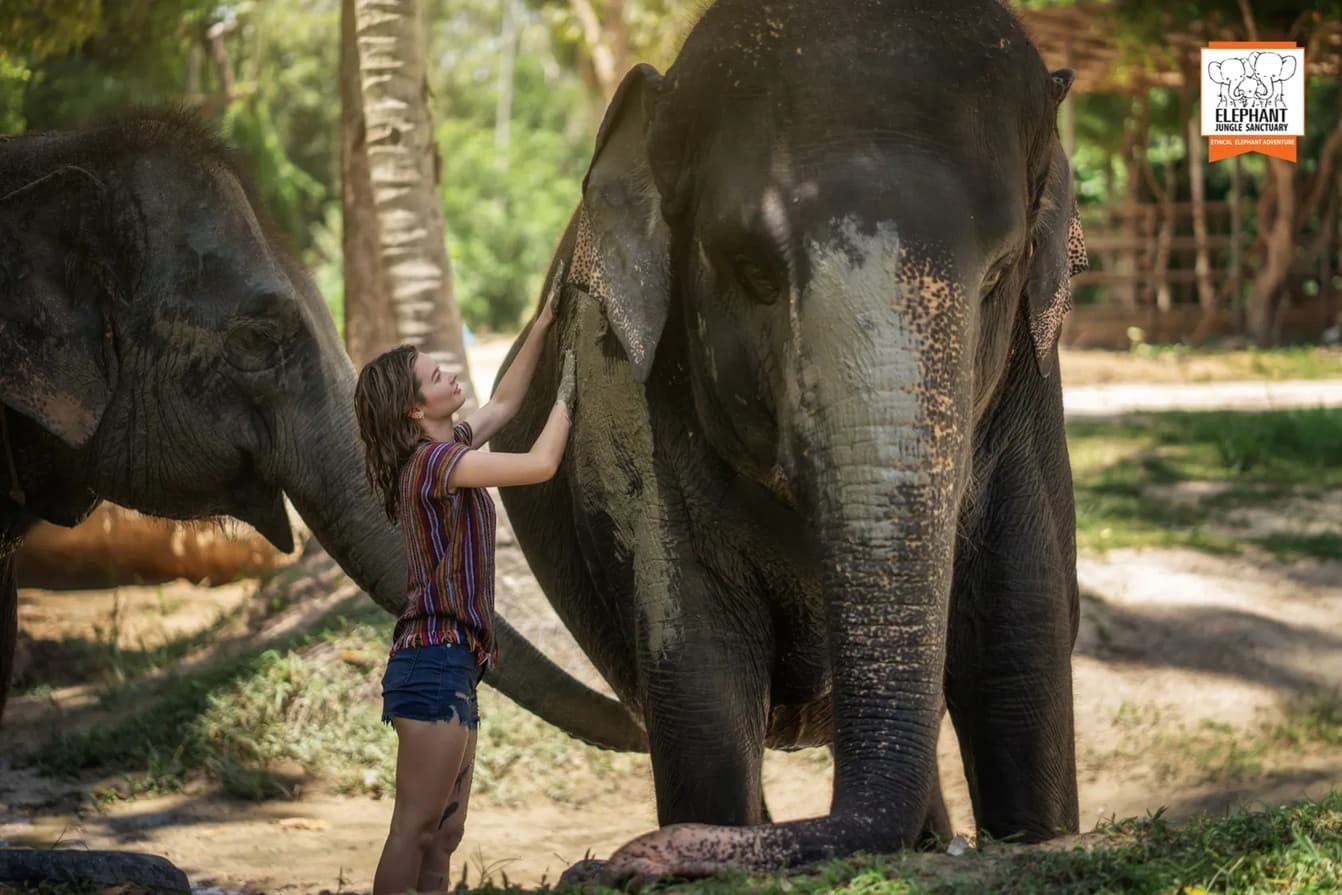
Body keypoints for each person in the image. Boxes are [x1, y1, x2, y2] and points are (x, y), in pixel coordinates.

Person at [353, 266, 575, 895]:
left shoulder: (449, 446)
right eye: (435, 376)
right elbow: (541, 462)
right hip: (431, 663)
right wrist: (570, 396)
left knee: (444, 836)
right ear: (413, 406)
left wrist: (546, 324)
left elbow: (503, 403)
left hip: (454, 664)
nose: (451, 374)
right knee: (414, 827)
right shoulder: (435, 465)